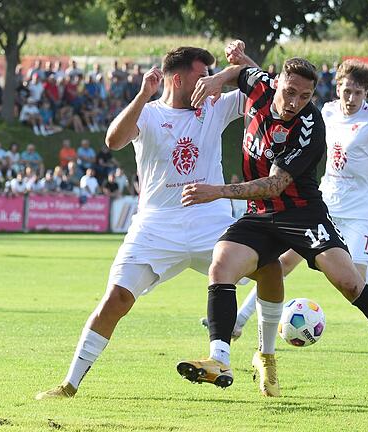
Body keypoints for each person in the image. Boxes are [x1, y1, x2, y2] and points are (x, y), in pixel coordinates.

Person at [177, 43, 368, 406]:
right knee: (222, 264)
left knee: (351, 284)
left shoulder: (310, 128)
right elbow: (241, 72)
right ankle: (220, 359)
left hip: (302, 213)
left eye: (305, 96)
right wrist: (221, 77)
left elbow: (274, 185)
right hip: (260, 215)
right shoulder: (261, 84)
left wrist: (217, 191)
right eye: (290, 91)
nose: (295, 101)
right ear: (276, 81)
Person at [35, 46, 272, 400]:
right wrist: (142, 94)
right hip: (156, 227)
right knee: (115, 299)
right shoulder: (148, 114)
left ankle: (263, 358)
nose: (209, 81)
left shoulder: (215, 106)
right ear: (177, 79)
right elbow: (113, 140)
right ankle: (69, 384)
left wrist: (242, 62)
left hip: (211, 222)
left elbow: (266, 91)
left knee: (271, 270)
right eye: (200, 74)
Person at [219, 59, 368, 352]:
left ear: (367, 93)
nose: (351, 99)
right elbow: (279, 86)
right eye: (346, 91)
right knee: (280, 264)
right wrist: (246, 65)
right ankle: (239, 320)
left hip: (360, 212)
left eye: (358, 93)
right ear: (337, 88)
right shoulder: (323, 112)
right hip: (324, 203)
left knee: (356, 281)